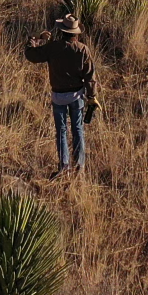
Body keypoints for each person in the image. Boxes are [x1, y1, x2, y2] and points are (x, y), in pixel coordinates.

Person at [24, 14, 98, 177]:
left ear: (62, 31)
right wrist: (92, 97)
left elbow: (31, 55)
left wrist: (35, 38)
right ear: (76, 33)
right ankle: (80, 166)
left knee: (61, 131)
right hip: (77, 96)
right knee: (78, 129)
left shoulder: (53, 48)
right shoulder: (82, 49)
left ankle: (64, 166)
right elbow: (90, 76)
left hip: (58, 96)